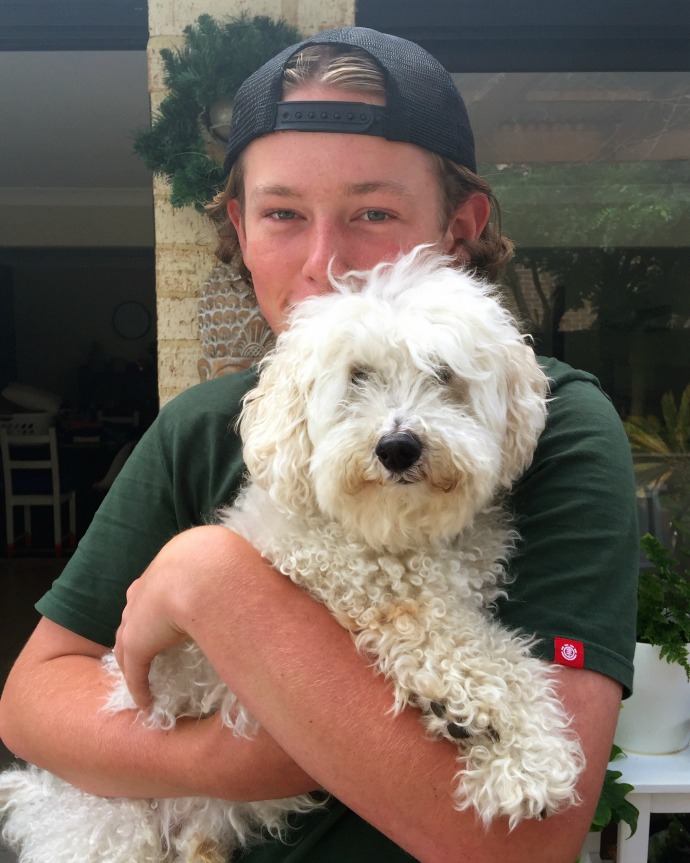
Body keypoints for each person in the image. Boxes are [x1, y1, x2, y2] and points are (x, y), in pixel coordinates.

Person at [0, 26, 638, 863]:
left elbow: (522, 844)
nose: (327, 263)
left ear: (460, 226)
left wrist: (211, 579)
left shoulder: (556, 422)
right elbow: (34, 701)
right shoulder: (199, 428)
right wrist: (223, 763)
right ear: (240, 226)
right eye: (283, 214)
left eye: (373, 212)